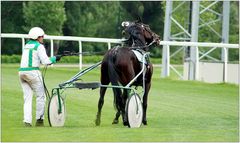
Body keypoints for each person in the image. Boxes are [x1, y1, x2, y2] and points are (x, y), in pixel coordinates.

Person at [19, 27, 61, 127]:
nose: (43, 38)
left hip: (21, 73)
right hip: (33, 72)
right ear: (37, 37)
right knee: (41, 96)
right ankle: (39, 120)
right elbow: (45, 61)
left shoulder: (27, 45)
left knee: (27, 98)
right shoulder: (39, 46)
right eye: (42, 36)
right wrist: (55, 58)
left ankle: (27, 121)